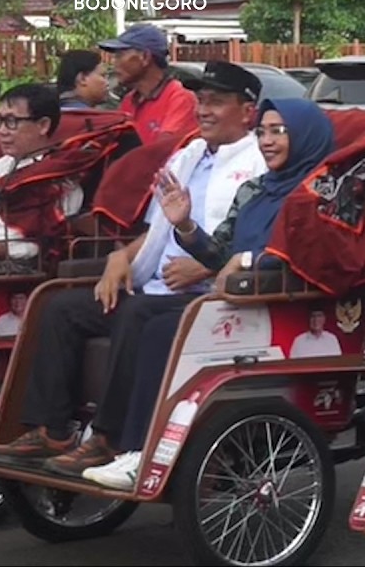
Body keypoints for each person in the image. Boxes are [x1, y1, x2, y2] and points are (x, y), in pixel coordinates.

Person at [0, 62, 266, 472]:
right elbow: (155, 231)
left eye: (217, 103)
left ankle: (108, 437)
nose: (204, 111)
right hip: (156, 286)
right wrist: (121, 256)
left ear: (247, 112)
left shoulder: (260, 162)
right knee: (58, 308)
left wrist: (206, 269)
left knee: (135, 313)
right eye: (201, 101)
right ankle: (51, 429)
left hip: (211, 296)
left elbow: (258, 240)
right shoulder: (189, 154)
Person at [80, 97, 335, 490]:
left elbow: (309, 257)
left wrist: (249, 263)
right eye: (263, 132)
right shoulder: (255, 190)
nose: (267, 141)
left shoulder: (321, 194)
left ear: (303, 136)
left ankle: (140, 450)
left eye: (279, 131)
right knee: (140, 311)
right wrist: (184, 226)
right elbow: (219, 254)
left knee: (163, 330)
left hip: (277, 305)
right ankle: (114, 440)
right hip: (234, 297)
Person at [0, 84, 84, 274]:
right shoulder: (0, 166)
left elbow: (31, 246)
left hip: (18, 269)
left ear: (43, 125)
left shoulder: (58, 178)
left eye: (12, 121)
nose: (2, 130)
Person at [99, 24, 199, 143]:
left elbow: (161, 151)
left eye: (120, 56)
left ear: (145, 57)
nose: (114, 63)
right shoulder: (129, 101)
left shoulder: (180, 98)